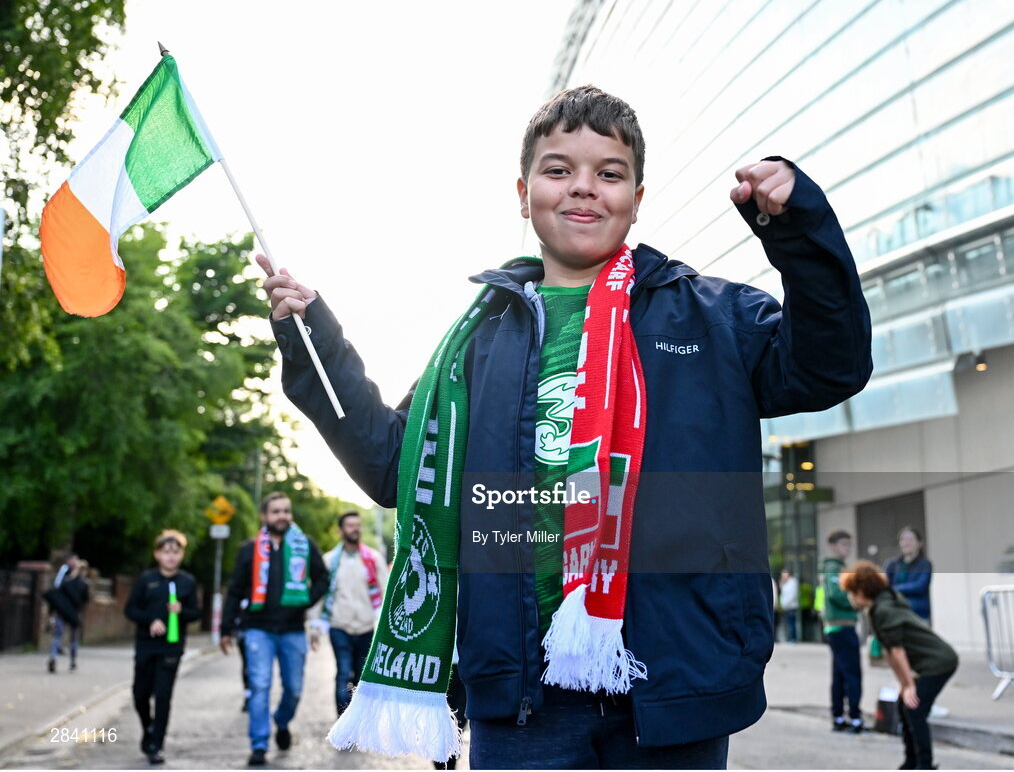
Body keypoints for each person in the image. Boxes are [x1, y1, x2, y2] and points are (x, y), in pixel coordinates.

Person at [258, 85, 872, 768]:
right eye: (559, 170)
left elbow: (830, 368)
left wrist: (800, 233)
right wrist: (314, 340)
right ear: (523, 193)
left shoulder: (710, 315)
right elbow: (389, 463)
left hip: (672, 686)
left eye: (609, 173)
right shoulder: (473, 344)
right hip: (522, 696)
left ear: (637, 199)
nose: (584, 189)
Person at [220, 492, 330, 767]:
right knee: (260, 686)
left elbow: (323, 578)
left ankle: (281, 721)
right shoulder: (249, 550)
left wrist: (305, 600)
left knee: (293, 689)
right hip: (258, 629)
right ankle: (259, 745)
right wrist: (225, 629)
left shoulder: (305, 545)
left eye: (286, 511)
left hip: (293, 630)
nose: (282, 516)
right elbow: (234, 591)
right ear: (264, 516)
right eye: (276, 511)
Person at [842, 561, 957, 770]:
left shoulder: (884, 609)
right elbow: (889, 652)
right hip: (929, 662)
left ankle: (925, 764)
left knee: (915, 710)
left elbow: (897, 651)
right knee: (904, 708)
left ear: (861, 590)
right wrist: (904, 684)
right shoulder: (878, 606)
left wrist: (910, 685)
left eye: (851, 592)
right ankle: (911, 761)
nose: (850, 597)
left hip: (938, 662)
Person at [123, 530, 201, 765]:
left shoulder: (187, 582)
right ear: (157, 554)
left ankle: (157, 744)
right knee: (140, 695)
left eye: (175, 552)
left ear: (181, 555)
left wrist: (182, 612)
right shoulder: (147, 580)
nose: (171, 557)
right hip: (146, 645)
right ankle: (148, 726)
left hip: (172, 648)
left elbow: (196, 613)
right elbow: (130, 609)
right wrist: (150, 620)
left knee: (164, 696)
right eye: (166, 552)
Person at [310, 511, 388, 716]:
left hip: (366, 627)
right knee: (344, 672)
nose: (355, 529)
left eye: (358, 525)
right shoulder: (329, 561)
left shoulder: (373, 559)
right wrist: (314, 626)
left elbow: (386, 591)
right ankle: (343, 718)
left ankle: (358, 719)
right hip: (339, 626)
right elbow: (319, 595)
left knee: (362, 676)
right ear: (340, 530)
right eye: (350, 525)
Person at [821, 529, 863, 733]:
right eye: (843, 544)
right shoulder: (833, 567)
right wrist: (857, 602)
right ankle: (855, 717)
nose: (847, 548)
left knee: (839, 674)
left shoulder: (836, 567)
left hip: (836, 627)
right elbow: (835, 593)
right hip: (842, 626)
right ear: (832, 546)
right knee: (852, 673)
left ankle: (839, 716)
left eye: (849, 544)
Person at [44, 555, 89, 673]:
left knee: (57, 636)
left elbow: (57, 598)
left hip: (62, 612)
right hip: (74, 614)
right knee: (73, 639)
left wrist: (51, 613)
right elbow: (85, 601)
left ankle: (53, 656)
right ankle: (73, 662)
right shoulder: (84, 585)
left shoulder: (65, 581)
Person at [884, 526, 932, 623]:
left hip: (918, 616)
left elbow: (920, 587)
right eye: (903, 539)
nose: (906, 542)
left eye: (910, 539)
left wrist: (894, 589)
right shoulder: (892, 564)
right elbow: (884, 586)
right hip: (896, 615)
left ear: (920, 543)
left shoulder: (925, 564)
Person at [779, 569, 800, 643]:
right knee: (788, 623)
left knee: (791, 623)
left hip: (791, 606)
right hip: (786, 607)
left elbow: (792, 595)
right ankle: (789, 638)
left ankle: (793, 639)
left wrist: (785, 604)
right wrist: (781, 583)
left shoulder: (793, 582)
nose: (784, 577)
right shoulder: (785, 583)